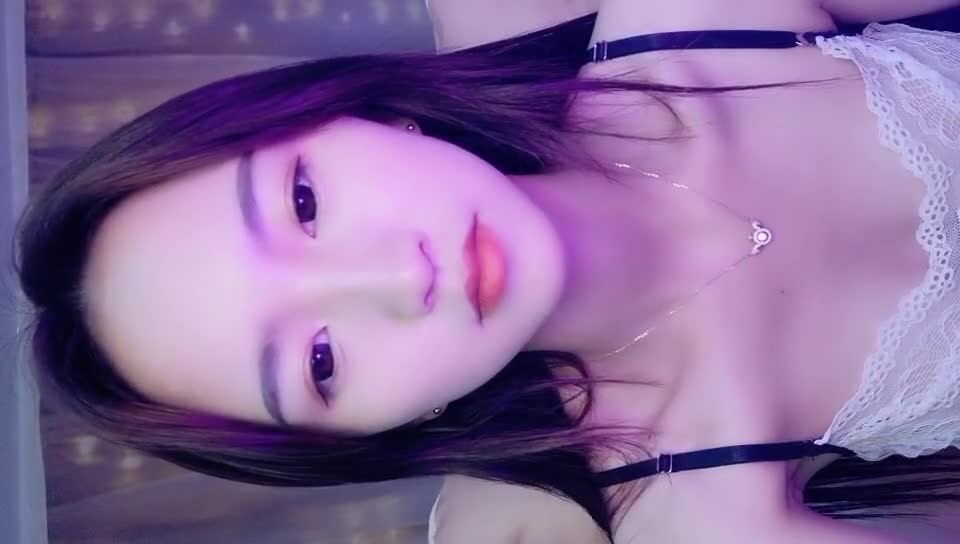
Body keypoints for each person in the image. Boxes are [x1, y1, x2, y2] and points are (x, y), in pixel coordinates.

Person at [14, 1, 960, 542]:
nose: (396, 279)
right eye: (321, 362)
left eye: (303, 203)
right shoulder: (700, 507)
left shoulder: (694, 23)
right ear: (374, 432)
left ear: (357, 116)